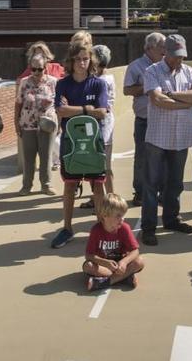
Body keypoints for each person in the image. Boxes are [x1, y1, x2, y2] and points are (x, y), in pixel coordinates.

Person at [140, 34, 192, 246]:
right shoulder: (152, 71)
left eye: (182, 56)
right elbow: (157, 100)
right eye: (176, 56)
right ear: (165, 52)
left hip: (181, 137)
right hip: (158, 136)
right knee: (151, 184)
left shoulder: (188, 71)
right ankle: (148, 227)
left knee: (175, 183)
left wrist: (173, 95)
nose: (179, 60)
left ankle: (171, 219)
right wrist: (184, 102)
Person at [50, 41, 109, 248]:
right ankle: (67, 228)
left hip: (94, 142)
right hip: (71, 142)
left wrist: (74, 109)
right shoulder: (63, 84)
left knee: (98, 186)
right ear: (71, 61)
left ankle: (102, 228)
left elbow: (102, 112)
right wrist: (86, 109)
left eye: (86, 59)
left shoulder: (99, 83)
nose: (82, 63)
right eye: (78, 59)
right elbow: (60, 111)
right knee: (69, 186)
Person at [123, 32, 166, 206]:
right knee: (142, 157)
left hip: (164, 118)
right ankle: (140, 193)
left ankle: (162, 193)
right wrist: (149, 87)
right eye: (162, 46)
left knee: (164, 157)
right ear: (149, 48)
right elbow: (127, 90)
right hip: (144, 119)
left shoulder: (166, 65)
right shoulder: (136, 66)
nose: (165, 49)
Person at [83, 193, 145, 291]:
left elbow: (135, 251)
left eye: (123, 215)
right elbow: (88, 255)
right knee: (88, 266)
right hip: (105, 266)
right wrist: (105, 262)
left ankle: (104, 282)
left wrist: (124, 262)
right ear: (105, 216)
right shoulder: (96, 230)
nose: (122, 219)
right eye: (118, 216)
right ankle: (125, 277)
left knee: (139, 261)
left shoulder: (125, 228)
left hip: (121, 264)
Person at [14, 53, 57, 196]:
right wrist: (16, 123)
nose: (36, 73)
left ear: (45, 67)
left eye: (40, 69)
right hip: (27, 124)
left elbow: (60, 104)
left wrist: (60, 124)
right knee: (29, 157)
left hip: (47, 124)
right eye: (34, 69)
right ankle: (26, 185)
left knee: (46, 156)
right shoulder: (24, 82)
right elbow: (18, 103)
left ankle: (46, 185)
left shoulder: (53, 82)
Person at [93, 44, 116, 194]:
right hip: (94, 124)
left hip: (104, 125)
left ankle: (109, 199)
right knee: (96, 167)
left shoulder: (105, 79)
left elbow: (107, 106)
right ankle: (98, 198)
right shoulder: (94, 78)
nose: (99, 68)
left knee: (105, 166)